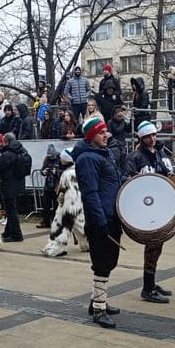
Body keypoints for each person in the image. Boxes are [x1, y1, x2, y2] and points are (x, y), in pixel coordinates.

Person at [73, 116, 124, 328]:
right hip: (101, 219)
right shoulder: (87, 159)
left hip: (111, 216)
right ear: (91, 136)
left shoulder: (103, 154)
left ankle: (96, 301)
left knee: (109, 260)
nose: (106, 135)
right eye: (101, 132)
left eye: (106, 132)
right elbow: (90, 193)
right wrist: (100, 221)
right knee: (103, 263)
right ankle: (99, 310)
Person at [124, 121, 175, 304]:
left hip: (160, 205)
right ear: (141, 138)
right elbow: (127, 182)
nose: (152, 139)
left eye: (154, 135)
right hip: (146, 208)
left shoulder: (160, 153)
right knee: (153, 245)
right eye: (148, 136)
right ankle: (147, 288)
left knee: (158, 245)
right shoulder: (135, 157)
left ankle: (152, 283)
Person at [41, 148, 89, 258]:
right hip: (74, 203)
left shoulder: (69, 173)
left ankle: (56, 247)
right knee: (80, 225)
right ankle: (87, 245)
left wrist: (66, 207)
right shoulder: (74, 171)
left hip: (70, 204)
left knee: (63, 226)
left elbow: (69, 191)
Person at [0, 132, 29, 243]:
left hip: (9, 185)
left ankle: (16, 235)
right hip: (18, 184)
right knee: (10, 210)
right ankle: (8, 231)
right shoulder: (21, 151)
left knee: (11, 211)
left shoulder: (8, 154)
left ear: (6, 141)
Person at [37, 144, 62, 229]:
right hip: (48, 185)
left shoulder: (60, 159)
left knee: (56, 205)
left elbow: (64, 171)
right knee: (45, 205)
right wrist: (44, 172)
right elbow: (42, 170)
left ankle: (56, 221)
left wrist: (57, 172)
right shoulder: (46, 159)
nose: (51, 157)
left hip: (57, 185)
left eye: (52, 156)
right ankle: (46, 221)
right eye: (49, 156)